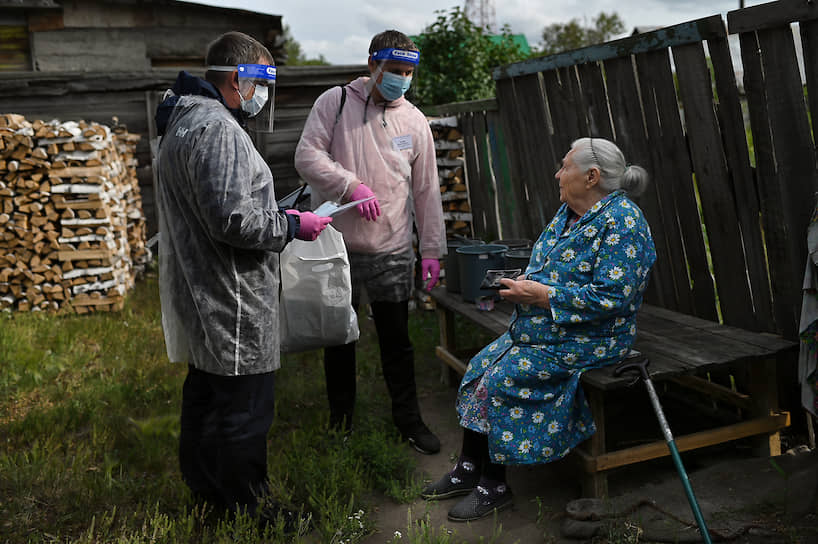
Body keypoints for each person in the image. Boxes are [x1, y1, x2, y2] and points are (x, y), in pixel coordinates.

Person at [420, 137, 657, 521]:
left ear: (591, 176)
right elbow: (548, 265)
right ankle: (468, 468)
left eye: (565, 166)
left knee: (503, 379)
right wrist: (523, 285)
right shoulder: (569, 212)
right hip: (546, 329)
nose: (557, 173)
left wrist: (543, 296)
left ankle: (494, 485)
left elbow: (615, 298)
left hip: (595, 338)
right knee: (482, 365)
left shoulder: (624, 223)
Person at [154, 31, 331, 528]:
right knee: (244, 410)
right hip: (231, 293)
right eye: (263, 84)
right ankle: (249, 510)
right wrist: (296, 224)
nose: (264, 97)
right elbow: (234, 221)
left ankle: (209, 494)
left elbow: (218, 208)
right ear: (238, 78)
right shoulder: (218, 129)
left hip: (202, 285)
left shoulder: (183, 121)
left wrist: (273, 210)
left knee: (208, 397)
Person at [294, 30, 446, 454]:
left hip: (392, 250)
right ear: (371, 65)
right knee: (339, 340)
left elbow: (427, 190)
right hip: (336, 248)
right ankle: (340, 423)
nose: (401, 79)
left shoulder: (414, 121)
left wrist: (431, 249)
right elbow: (306, 156)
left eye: (409, 71)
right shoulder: (335, 102)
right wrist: (350, 187)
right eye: (394, 70)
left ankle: (409, 421)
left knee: (397, 341)